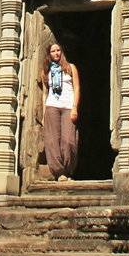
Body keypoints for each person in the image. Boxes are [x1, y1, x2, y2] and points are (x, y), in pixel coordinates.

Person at [41, 41, 80, 181]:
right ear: (49, 54)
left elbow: (76, 88)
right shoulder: (46, 70)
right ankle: (59, 173)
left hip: (68, 106)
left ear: (61, 52)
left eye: (58, 50)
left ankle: (68, 170)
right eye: (53, 51)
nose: (56, 53)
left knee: (69, 140)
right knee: (52, 140)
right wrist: (44, 112)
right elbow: (45, 92)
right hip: (52, 105)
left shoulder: (70, 68)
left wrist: (75, 107)